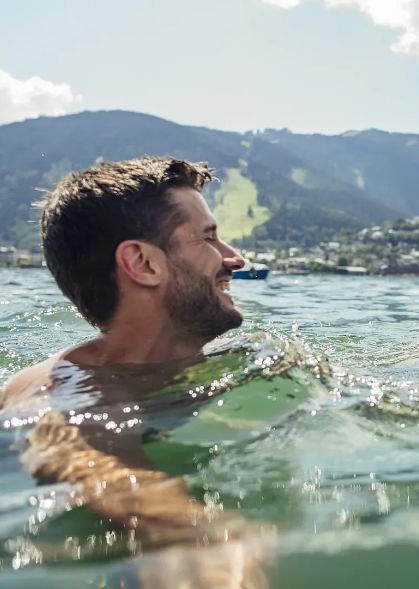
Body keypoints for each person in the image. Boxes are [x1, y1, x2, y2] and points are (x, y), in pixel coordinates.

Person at [0, 156, 269, 587]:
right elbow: (93, 467)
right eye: (209, 239)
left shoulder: (212, 364)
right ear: (144, 263)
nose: (233, 259)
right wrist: (200, 541)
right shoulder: (64, 392)